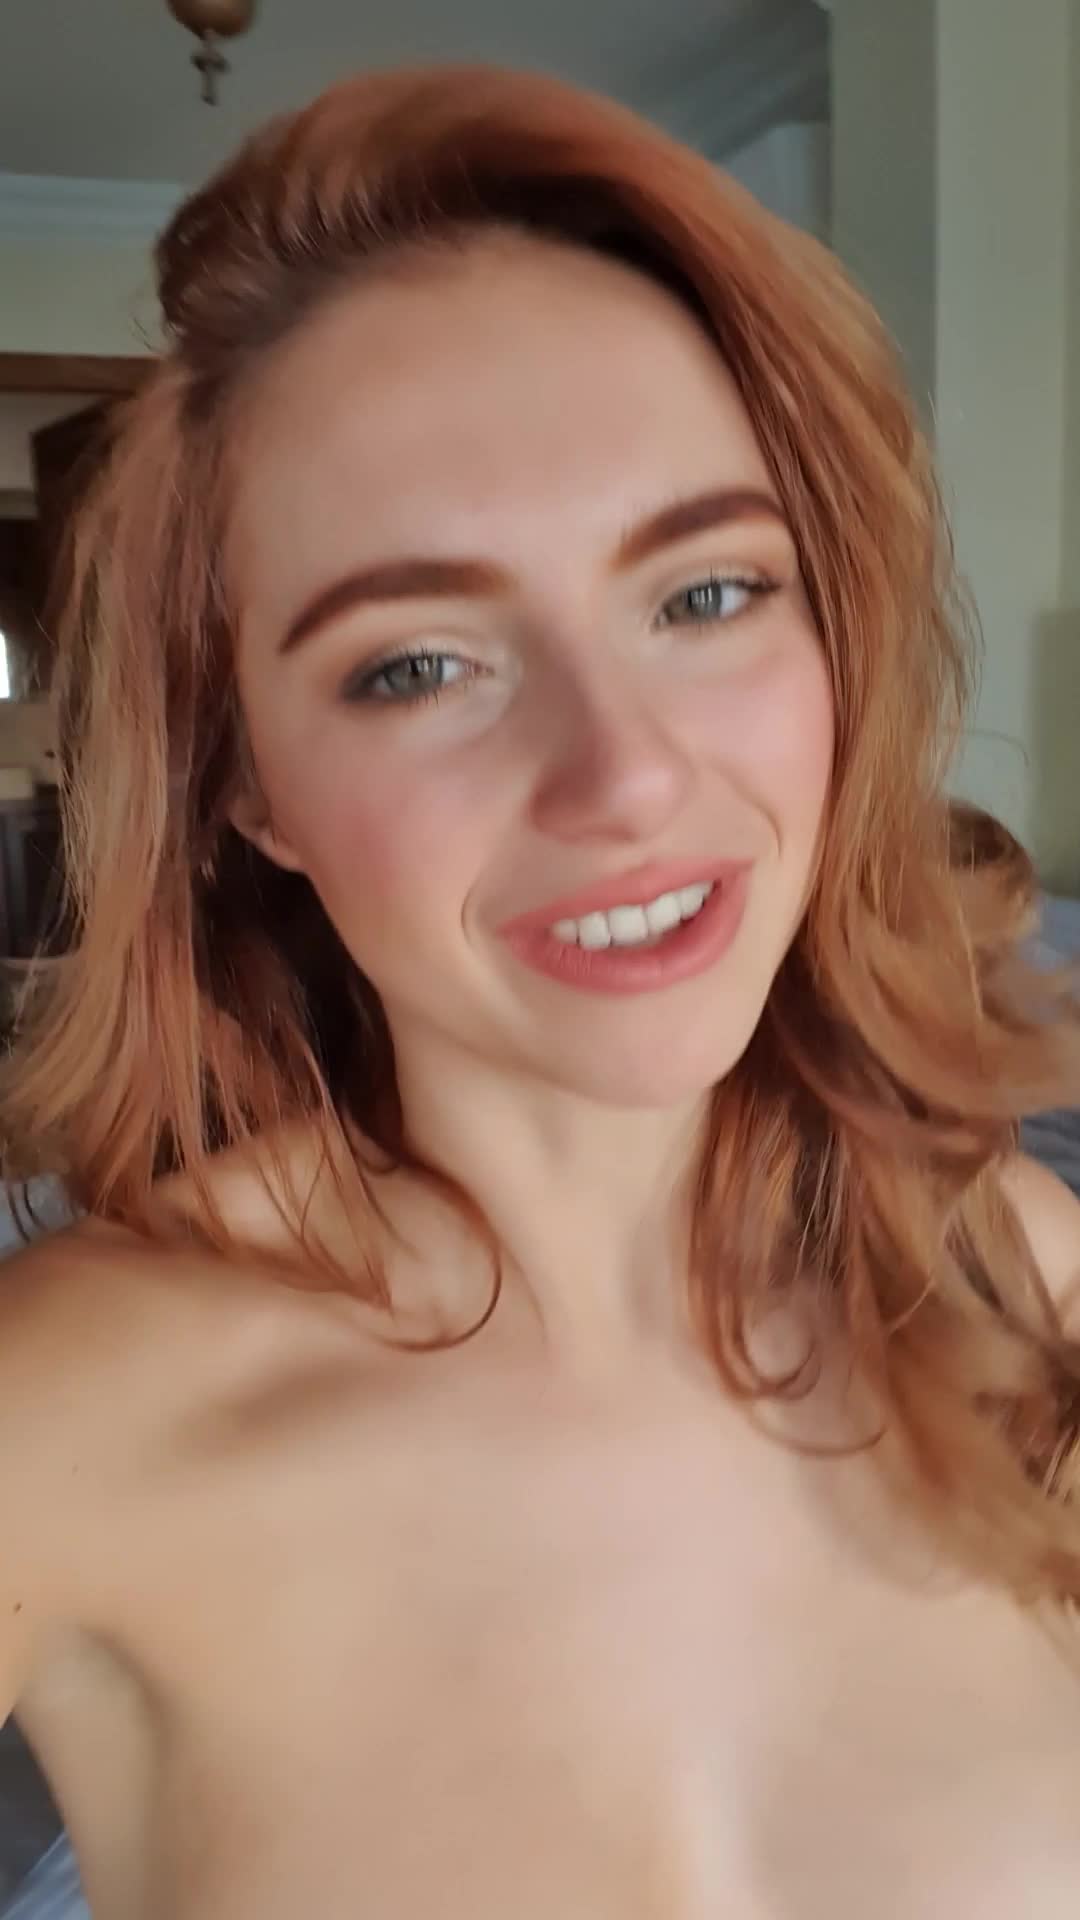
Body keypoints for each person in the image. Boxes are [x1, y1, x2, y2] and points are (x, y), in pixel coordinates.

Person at [1, 61, 1080, 1920]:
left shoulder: (1019, 1288)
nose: (626, 779)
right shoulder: (77, 1403)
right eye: (417, 666)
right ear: (249, 786)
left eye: (706, 596)